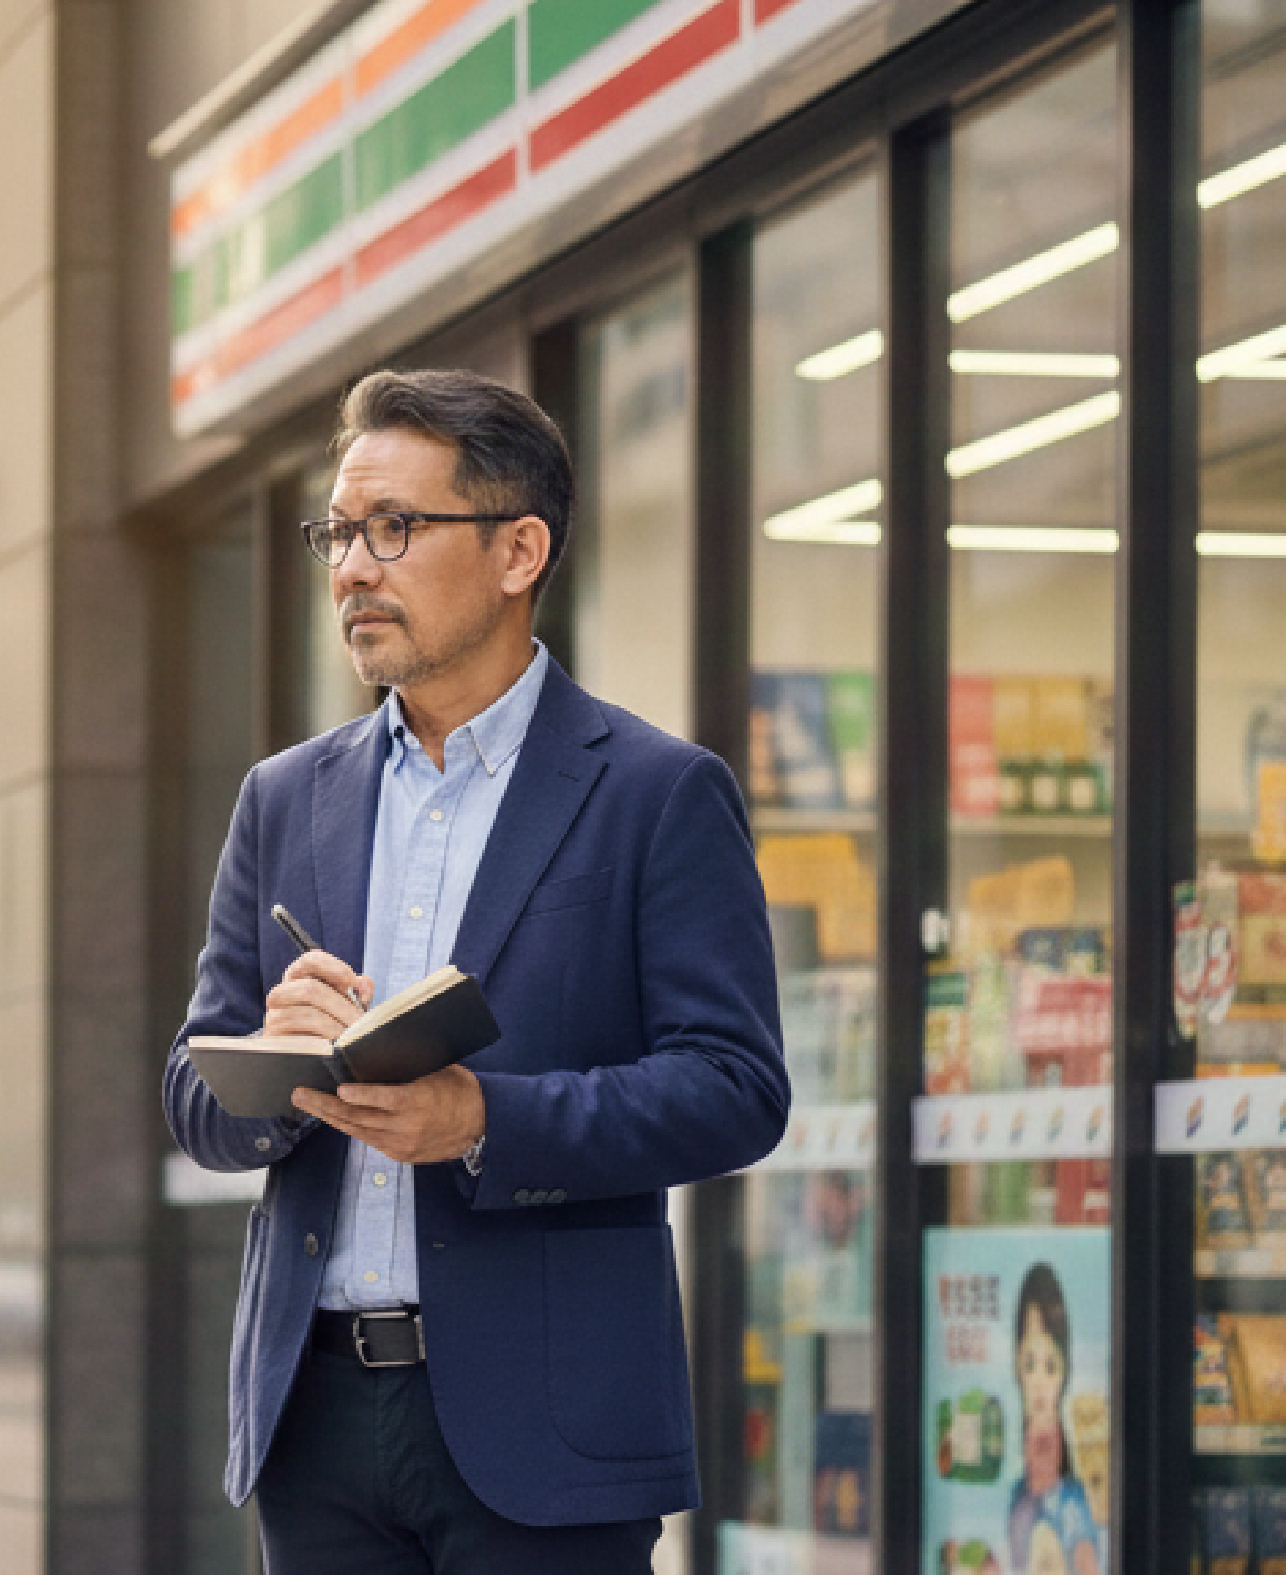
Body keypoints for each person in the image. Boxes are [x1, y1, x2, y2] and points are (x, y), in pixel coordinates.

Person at [161, 368, 789, 1573]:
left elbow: (733, 1088)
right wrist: (277, 1070)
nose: (351, 568)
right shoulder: (283, 799)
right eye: (338, 534)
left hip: (548, 1430)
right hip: (313, 1425)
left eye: (393, 528)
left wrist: (479, 1119)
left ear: (519, 551)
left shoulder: (654, 793)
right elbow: (194, 1098)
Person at [1007, 1264, 1099, 1575]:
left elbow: (1086, 1558)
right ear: (1016, 1365)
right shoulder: (1017, 1497)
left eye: (1050, 1366)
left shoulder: (1073, 1501)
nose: (1038, 1383)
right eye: (1029, 1363)